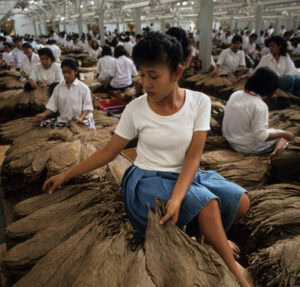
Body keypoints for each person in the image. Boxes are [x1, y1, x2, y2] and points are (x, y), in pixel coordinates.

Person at [42, 32, 251, 287]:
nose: (146, 83)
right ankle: (235, 271)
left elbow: (193, 157)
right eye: (142, 74)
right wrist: (66, 174)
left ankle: (209, 235)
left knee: (241, 201)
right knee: (208, 205)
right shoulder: (136, 109)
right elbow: (108, 152)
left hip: (187, 173)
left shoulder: (199, 102)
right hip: (147, 179)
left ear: (177, 73)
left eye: (154, 76)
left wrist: (176, 199)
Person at [223, 67, 294, 156]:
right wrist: (285, 133)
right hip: (246, 147)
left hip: (231, 140)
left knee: (273, 131)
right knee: (286, 136)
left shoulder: (236, 94)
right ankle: (275, 154)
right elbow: (261, 136)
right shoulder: (259, 105)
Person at [33, 57, 95, 129]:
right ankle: (68, 126)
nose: (66, 75)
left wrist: (81, 118)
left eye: (69, 72)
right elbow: (53, 106)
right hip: (64, 120)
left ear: (75, 72)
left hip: (81, 119)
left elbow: (87, 107)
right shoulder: (58, 88)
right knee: (43, 124)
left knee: (88, 128)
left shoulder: (84, 88)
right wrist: (43, 114)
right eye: (64, 72)